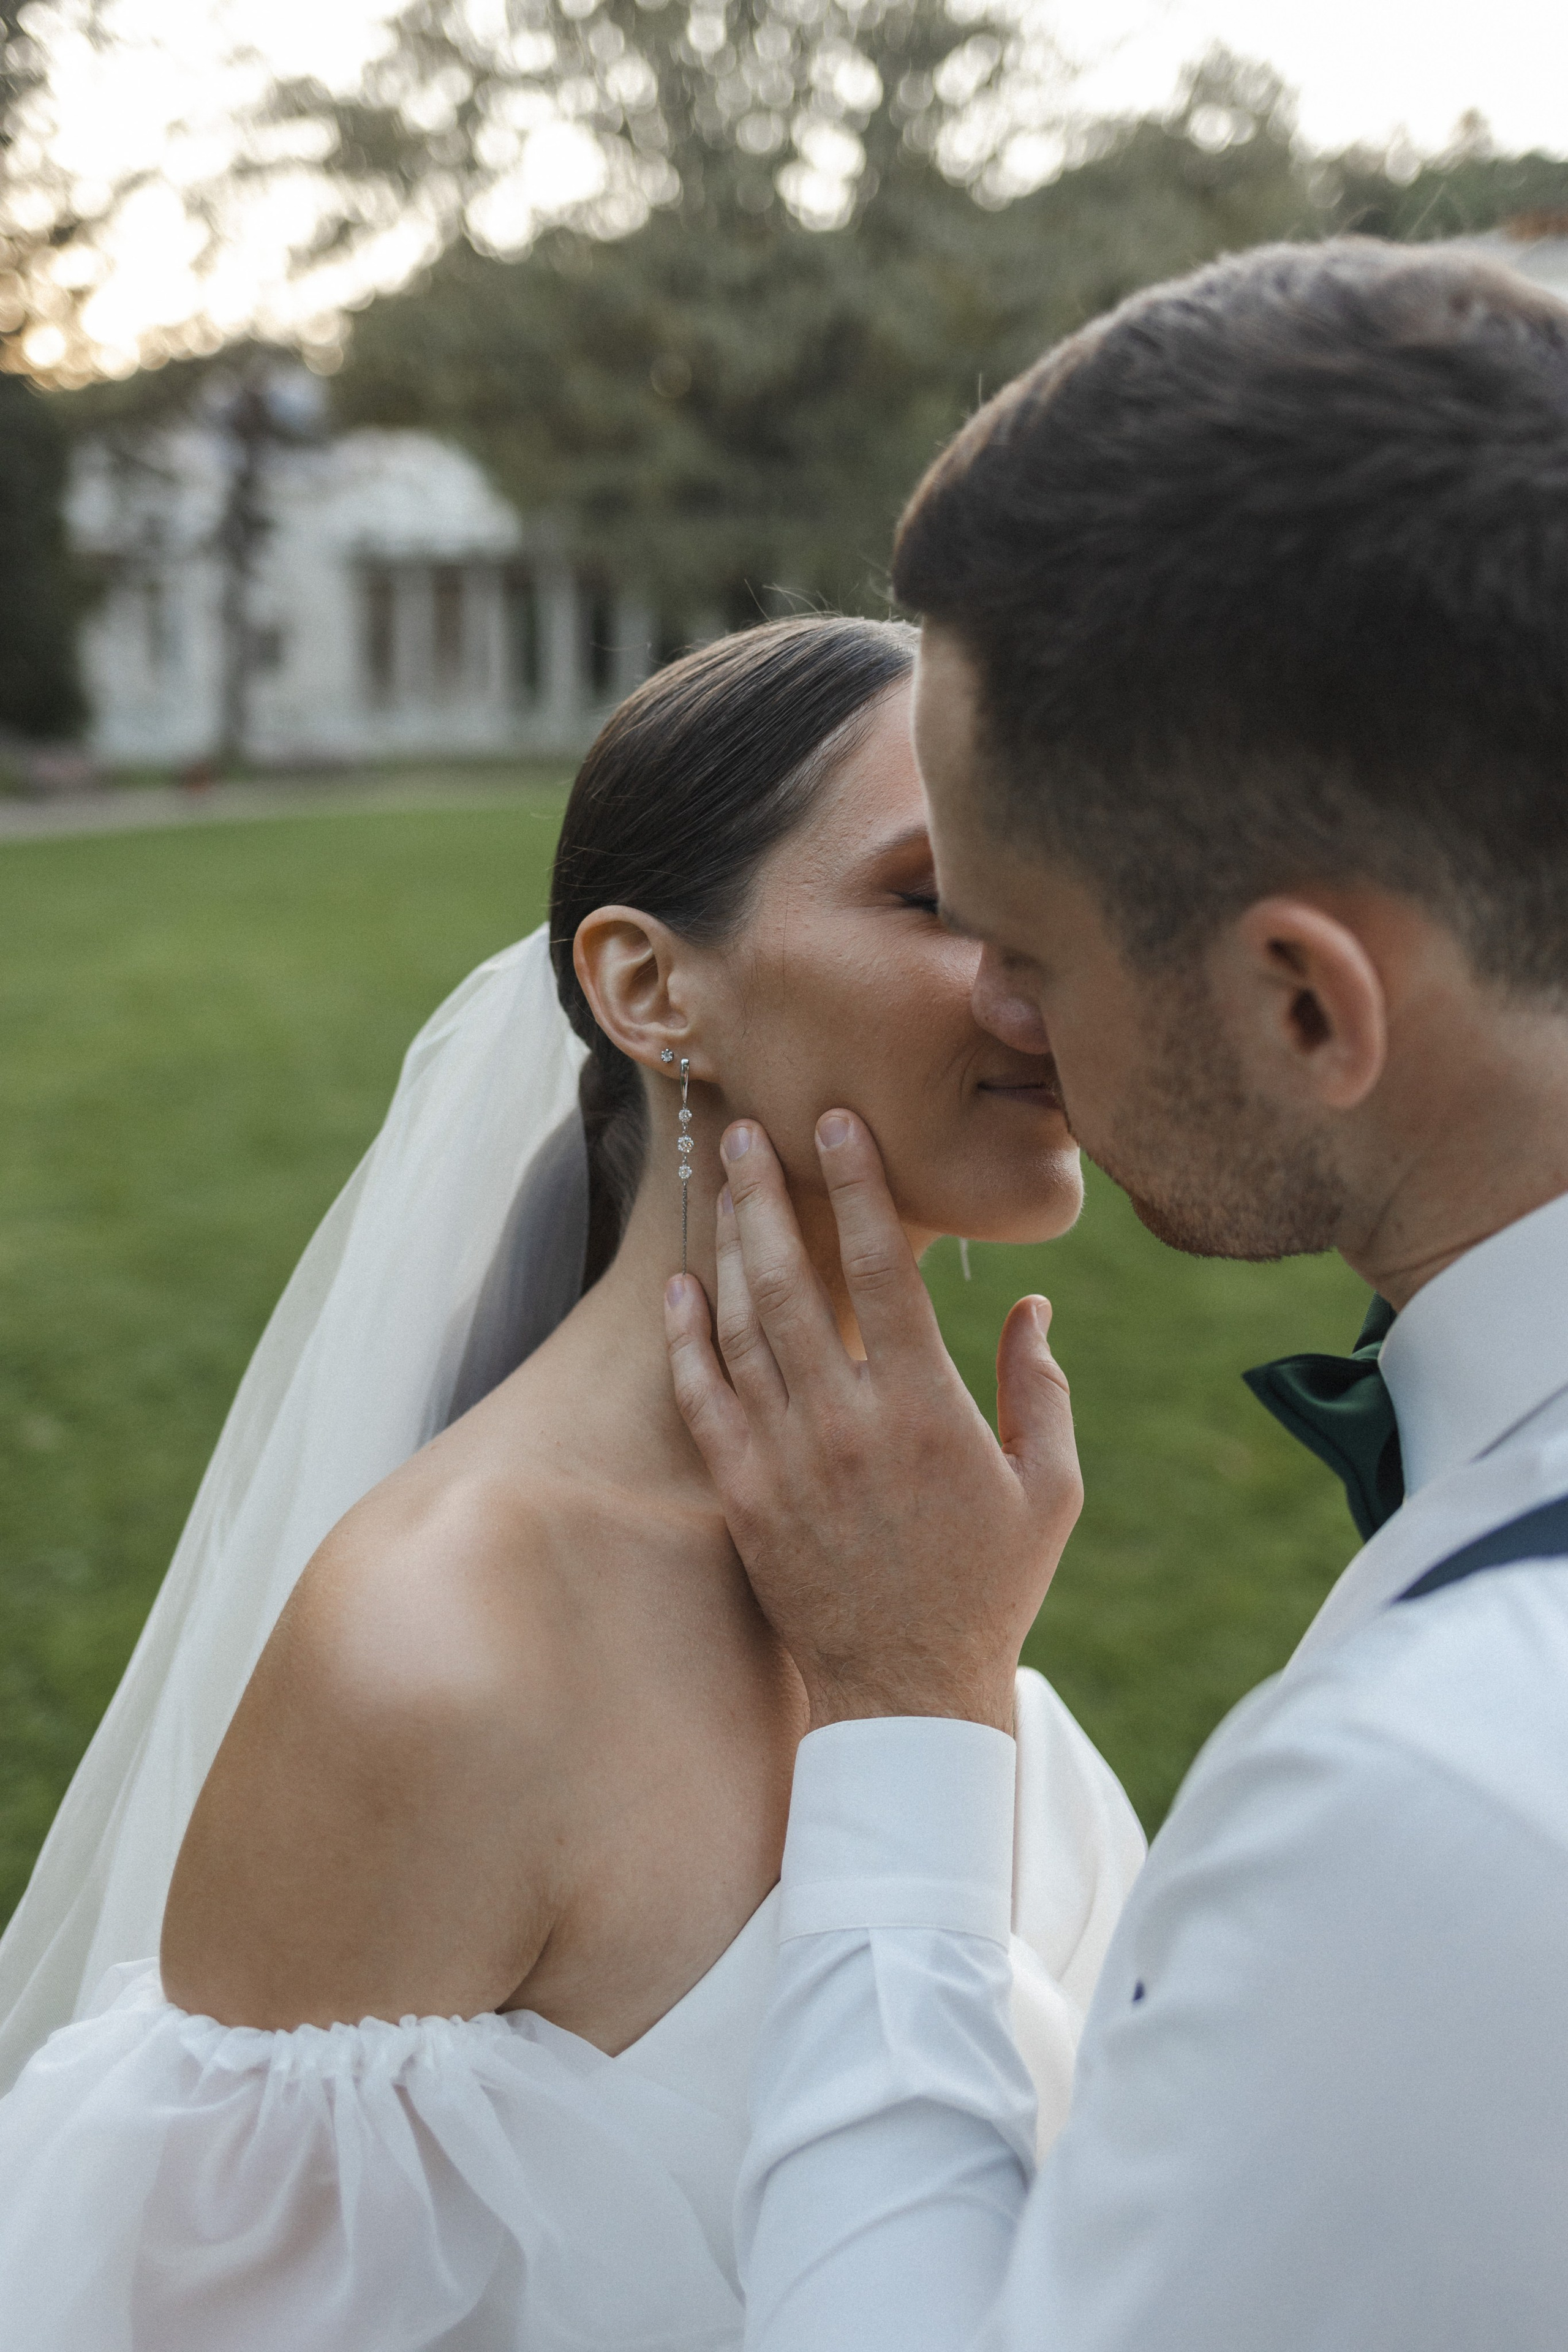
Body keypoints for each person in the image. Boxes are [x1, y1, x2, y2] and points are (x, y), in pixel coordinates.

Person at [0, 616, 1144, 2348]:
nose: (1052, 970)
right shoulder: (437, 1656)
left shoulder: (916, 1537)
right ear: (646, 987)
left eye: (1062, 892)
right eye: (939, 898)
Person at [664, 241, 1568, 2349]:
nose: (992, 1016)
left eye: (1026, 950)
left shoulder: (1437, 1804)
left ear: (1301, 1001)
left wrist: (902, 1711)